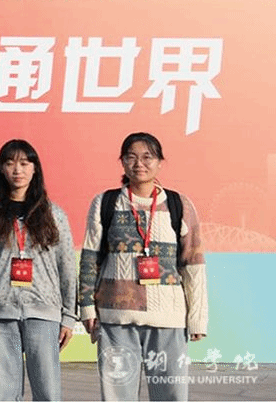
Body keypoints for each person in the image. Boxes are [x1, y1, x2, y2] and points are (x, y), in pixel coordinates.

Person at [78, 132, 208, 401]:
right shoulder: (105, 203)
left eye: (147, 157)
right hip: (116, 318)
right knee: (117, 396)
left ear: (160, 162)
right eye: (131, 157)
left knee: (171, 395)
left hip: (168, 319)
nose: (139, 164)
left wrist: (197, 317)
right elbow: (90, 259)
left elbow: (193, 265)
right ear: (122, 162)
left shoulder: (179, 205)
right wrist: (87, 307)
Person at [0, 139, 76, 401]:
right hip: (1, 313)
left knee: (47, 392)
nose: (17, 170)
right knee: (6, 393)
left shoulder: (53, 214)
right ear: (1, 168)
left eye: (25, 163)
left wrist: (69, 316)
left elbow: (67, 267)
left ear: (35, 169)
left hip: (43, 312)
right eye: (10, 163)